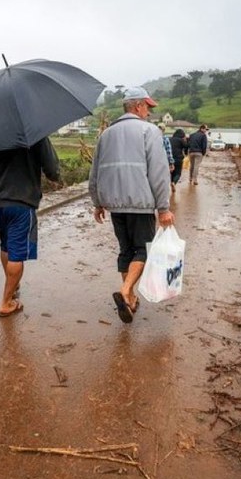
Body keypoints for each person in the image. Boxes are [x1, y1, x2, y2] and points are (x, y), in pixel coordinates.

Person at [89, 86, 175, 323]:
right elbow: (159, 172)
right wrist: (164, 208)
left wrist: (97, 202)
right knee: (143, 250)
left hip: (115, 205)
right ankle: (126, 290)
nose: (149, 112)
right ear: (138, 106)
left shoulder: (106, 134)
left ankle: (129, 298)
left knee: (126, 250)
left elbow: (94, 172)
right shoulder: (150, 131)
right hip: (140, 203)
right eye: (147, 107)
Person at [0, 138, 60, 317]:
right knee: (17, 252)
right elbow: (52, 167)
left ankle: (13, 284)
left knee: (6, 246)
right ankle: (6, 302)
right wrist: (54, 176)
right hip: (21, 201)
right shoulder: (34, 134)